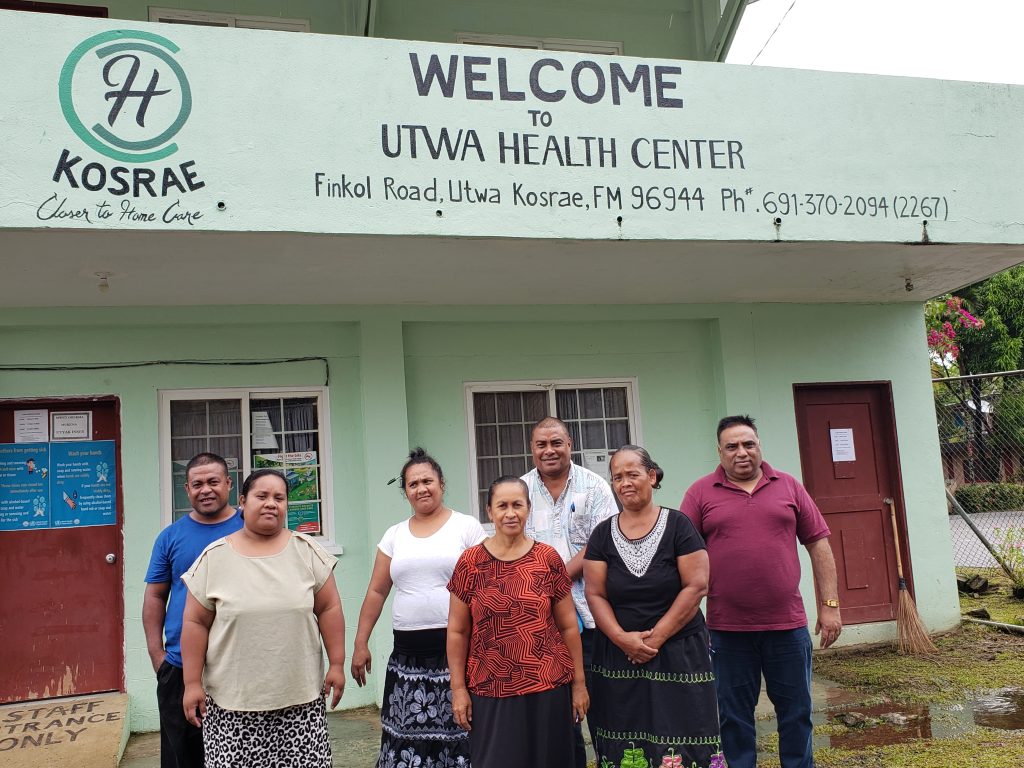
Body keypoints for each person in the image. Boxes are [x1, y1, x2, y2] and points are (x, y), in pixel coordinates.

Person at [681, 415, 842, 768]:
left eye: (748, 444)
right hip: (727, 631)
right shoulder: (700, 492)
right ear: (719, 452)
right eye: (732, 446)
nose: (742, 452)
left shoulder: (788, 486)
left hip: (787, 627)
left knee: (797, 714)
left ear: (759, 446)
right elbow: (681, 554)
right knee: (733, 718)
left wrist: (830, 605)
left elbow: (819, 545)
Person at [180, 468, 346, 768]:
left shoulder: (307, 552)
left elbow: (329, 609)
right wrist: (191, 683)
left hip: (300, 700)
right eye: (262, 496)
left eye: (279, 498)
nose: (272, 503)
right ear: (242, 502)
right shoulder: (214, 557)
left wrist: (336, 664)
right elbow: (195, 623)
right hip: (233, 704)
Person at [584, 445, 724, 768]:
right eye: (617, 477)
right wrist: (622, 639)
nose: (624, 483)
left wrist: (655, 639)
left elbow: (697, 586)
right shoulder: (602, 535)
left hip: (679, 653)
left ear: (651, 476)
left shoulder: (679, 526)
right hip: (618, 656)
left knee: (685, 734)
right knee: (625, 735)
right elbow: (595, 594)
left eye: (632, 474)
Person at [351, 448, 485, 768]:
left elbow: (485, 589)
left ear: (441, 483)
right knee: (407, 741)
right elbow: (376, 590)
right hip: (407, 657)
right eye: (413, 484)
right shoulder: (394, 535)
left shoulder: (466, 528)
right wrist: (360, 642)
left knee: (461, 734)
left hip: (457, 653)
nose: (421, 488)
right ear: (405, 491)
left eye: (427, 480)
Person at [447, 476, 589, 768]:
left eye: (517, 505)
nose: (510, 513)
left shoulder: (547, 559)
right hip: (490, 689)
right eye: (502, 506)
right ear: (489, 511)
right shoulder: (470, 563)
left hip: (547, 686)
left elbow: (568, 627)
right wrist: (458, 689)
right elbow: (458, 631)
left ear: (528, 509)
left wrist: (579, 685)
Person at [521, 416, 616, 766]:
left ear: (570, 445)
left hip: (592, 618)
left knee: (602, 709)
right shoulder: (521, 490)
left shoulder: (595, 486)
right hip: (540, 622)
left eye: (556, 443)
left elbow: (600, 543)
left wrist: (555, 581)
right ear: (532, 449)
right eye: (541, 444)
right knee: (559, 718)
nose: (549, 450)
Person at [143, 452, 243, 768]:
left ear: (229, 483)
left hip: (240, 664)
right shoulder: (170, 537)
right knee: (182, 758)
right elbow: (155, 596)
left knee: (240, 755)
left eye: (214, 481)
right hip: (180, 666)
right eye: (197, 484)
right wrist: (157, 656)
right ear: (187, 490)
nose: (206, 489)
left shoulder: (249, 526)